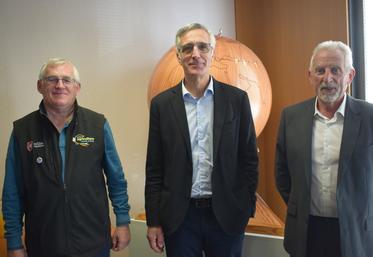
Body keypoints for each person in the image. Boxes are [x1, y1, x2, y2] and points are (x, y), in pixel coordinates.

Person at [145, 23, 258, 257]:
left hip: (226, 215)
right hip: (180, 218)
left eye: (202, 47)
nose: (195, 54)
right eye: (187, 48)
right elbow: (155, 167)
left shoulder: (237, 100)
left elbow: (249, 158)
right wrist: (154, 221)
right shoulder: (161, 105)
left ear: (212, 53)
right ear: (178, 56)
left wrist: (244, 206)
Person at [2, 58, 131, 257]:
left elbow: (116, 178)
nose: (60, 85)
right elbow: (12, 191)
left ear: (77, 87)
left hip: (93, 242)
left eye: (66, 80)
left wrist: (123, 221)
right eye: (52, 79)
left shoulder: (98, 124)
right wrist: (13, 241)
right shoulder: (22, 131)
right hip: (43, 244)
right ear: (39, 86)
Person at [275, 40, 373, 257]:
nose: (327, 78)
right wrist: (300, 205)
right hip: (307, 231)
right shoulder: (291, 117)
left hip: (357, 232)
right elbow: (282, 175)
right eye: (320, 70)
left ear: (350, 75)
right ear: (310, 75)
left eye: (335, 70)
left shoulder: (369, 117)